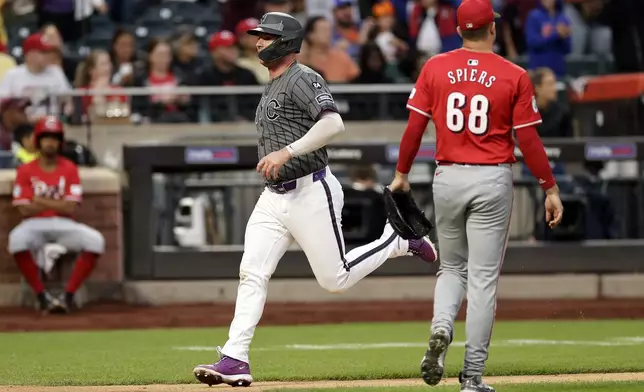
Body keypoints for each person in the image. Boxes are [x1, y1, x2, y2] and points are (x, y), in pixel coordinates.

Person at [192, 12, 437, 388]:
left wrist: (287, 152)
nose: (258, 42)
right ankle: (235, 357)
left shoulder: (302, 77)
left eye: (266, 36)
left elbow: (333, 123)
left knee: (334, 280)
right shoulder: (272, 81)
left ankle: (398, 241)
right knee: (251, 273)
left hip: (310, 188)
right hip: (273, 198)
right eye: (257, 36)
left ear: (286, 42)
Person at [388, 1, 564, 391]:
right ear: (492, 29)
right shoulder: (514, 74)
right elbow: (529, 140)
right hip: (491, 179)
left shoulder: (435, 67)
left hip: (447, 175)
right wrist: (549, 187)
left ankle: (440, 327)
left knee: (452, 269)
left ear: (458, 28)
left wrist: (401, 176)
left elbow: (414, 129)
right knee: (483, 280)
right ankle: (472, 377)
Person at [8, 115, 105, 314]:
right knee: (16, 240)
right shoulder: (26, 170)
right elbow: (23, 209)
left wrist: (40, 201)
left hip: (64, 224)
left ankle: (68, 296)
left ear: (60, 142)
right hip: (33, 224)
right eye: (46, 138)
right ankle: (41, 295)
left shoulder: (69, 168)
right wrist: (56, 204)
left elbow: (70, 208)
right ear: (38, 141)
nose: (50, 143)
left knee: (96, 241)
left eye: (54, 138)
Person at [0, 33, 72, 122]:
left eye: (49, 52)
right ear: (30, 54)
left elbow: (69, 100)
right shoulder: (13, 75)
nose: (48, 56)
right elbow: (2, 105)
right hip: (22, 126)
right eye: (43, 52)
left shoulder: (56, 72)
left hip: (52, 124)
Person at [525, 0, 572, 78]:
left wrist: (564, 37)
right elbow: (531, 42)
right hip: (539, 71)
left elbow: (568, 49)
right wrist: (556, 34)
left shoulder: (563, 18)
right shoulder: (534, 16)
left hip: (558, 72)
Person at [530, 67, 572, 138]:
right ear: (537, 88)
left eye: (554, 83)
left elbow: (570, 143)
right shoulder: (526, 113)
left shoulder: (563, 112)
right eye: (549, 84)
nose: (554, 88)